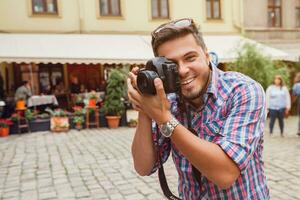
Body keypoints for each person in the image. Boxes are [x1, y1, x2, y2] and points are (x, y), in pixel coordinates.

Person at [127, 18, 269, 199]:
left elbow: (225, 174)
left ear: (207, 55)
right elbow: (143, 166)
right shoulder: (168, 100)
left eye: (190, 58)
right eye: (171, 65)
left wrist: (164, 118)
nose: (183, 70)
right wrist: (144, 108)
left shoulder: (243, 91)